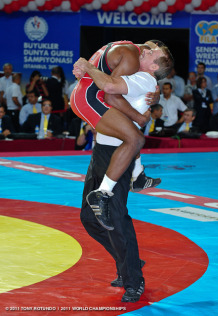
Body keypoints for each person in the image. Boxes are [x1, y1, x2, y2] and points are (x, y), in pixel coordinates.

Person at [80, 66, 167, 303]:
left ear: (156, 63)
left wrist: (88, 66)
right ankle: (129, 261)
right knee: (89, 217)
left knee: (115, 217)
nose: (142, 51)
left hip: (119, 152)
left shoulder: (143, 78)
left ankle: (133, 279)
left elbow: (108, 93)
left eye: (149, 50)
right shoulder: (129, 74)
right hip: (100, 151)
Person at [72, 40, 173, 230]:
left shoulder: (137, 65)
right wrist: (86, 66)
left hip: (97, 115)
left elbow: (113, 88)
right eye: (149, 48)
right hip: (96, 112)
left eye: (152, 52)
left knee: (133, 134)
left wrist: (155, 94)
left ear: (153, 65)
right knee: (135, 138)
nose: (147, 50)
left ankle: (137, 175)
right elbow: (110, 93)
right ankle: (103, 193)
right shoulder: (133, 60)